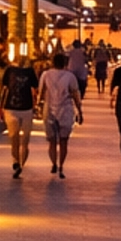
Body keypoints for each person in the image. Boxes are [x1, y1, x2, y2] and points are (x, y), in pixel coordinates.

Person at [39, 49, 82, 178]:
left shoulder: (45, 75)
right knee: (64, 141)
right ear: (64, 63)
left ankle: (53, 164)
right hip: (65, 110)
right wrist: (79, 111)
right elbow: (75, 94)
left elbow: (41, 93)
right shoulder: (70, 77)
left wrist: (38, 105)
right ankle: (61, 166)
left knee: (52, 141)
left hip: (49, 109)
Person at [0, 52, 39, 179]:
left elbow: (35, 88)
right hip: (11, 108)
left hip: (26, 108)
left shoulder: (30, 71)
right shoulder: (9, 70)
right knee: (14, 137)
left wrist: (36, 103)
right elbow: (4, 89)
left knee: (25, 140)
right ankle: (16, 162)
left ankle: (21, 164)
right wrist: (0, 106)